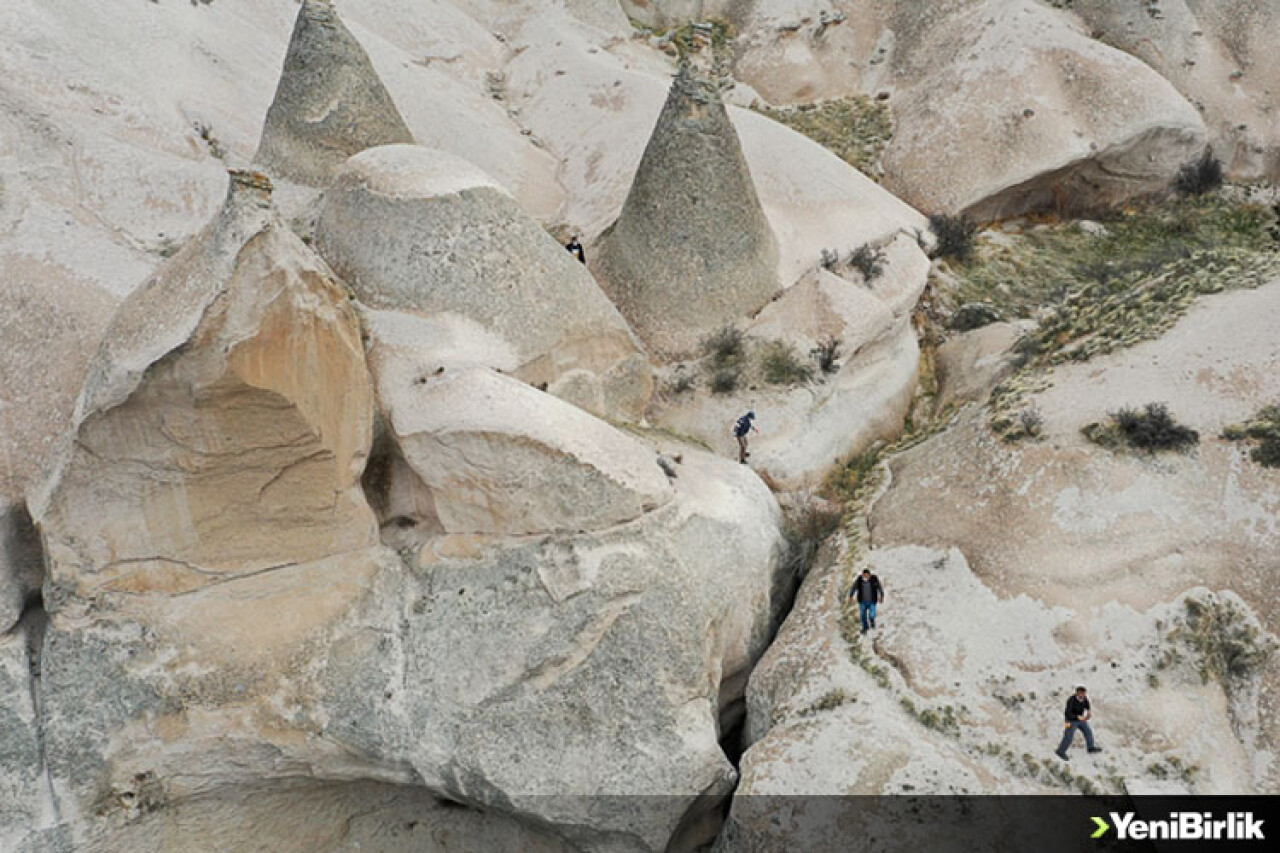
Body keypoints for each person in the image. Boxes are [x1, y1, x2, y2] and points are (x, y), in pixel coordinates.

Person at [1055, 686, 1102, 760]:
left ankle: (1091, 748)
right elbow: (1068, 713)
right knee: (1068, 736)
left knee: (1088, 732)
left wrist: (1088, 711)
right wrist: (1077, 717)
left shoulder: (1084, 699)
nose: (1082, 695)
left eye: (1084, 694)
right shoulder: (1071, 700)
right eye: (1081, 694)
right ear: (1077, 693)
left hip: (1080, 719)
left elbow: (1087, 704)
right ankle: (1060, 751)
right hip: (1070, 720)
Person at [847, 568, 884, 634]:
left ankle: (872, 624)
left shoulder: (874, 579)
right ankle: (865, 627)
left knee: (871, 615)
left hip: (872, 601)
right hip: (863, 601)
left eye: (867, 576)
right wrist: (851, 596)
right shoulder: (859, 580)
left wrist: (882, 596)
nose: (865, 577)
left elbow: (879, 587)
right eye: (864, 576)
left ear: (869, 575)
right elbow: (854, 587)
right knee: (863, 616)